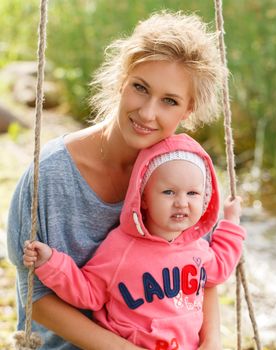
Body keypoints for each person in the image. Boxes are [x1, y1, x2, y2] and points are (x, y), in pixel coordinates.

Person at [7, 10, 228, 350]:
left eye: (169, 101)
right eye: (140, 88)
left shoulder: (188, 173)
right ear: (122, 80)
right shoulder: (50, 178)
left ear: (188, 110)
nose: (147, 113)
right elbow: (37, 297)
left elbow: (202, 266)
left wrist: (211, 342)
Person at [23, 133, 245, 349]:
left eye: (193, 193)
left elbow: (221, 267)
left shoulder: (197, 247)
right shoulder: (121, 247)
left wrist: (232, 221)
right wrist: (50, 262)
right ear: (144, 198)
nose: (182, 203)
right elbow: (89, 292)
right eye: (169, 192)